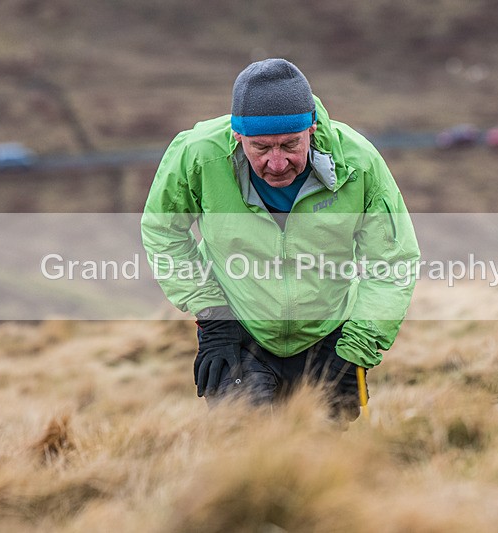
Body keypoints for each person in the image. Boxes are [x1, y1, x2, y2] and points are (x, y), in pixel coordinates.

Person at [141, 58, 420, 423]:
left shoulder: (358, 162)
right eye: (260, 148)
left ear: (312, 128)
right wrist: (213, 317)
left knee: (329, 466)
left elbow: (393, 260)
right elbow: (162, 230)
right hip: (241, 336)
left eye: (290, 144)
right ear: (238, 136)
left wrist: (355, 349)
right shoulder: (198, 155)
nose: (276, 163)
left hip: (330, 340)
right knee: (246, 449)